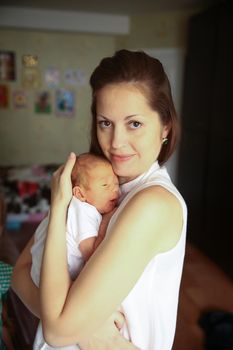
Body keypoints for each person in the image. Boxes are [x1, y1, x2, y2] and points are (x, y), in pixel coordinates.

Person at [11, 49, 187, 350]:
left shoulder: (152, 204)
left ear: (166, 126)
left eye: (134, 124)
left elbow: (56, 331)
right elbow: (20, 272)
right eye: (106, 123)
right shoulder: (100, 185)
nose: (116, 142)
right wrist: (84, 328)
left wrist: (67, 325)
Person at [31, 152, 119, 350]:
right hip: (51, 282)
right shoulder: (82, 210)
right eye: (105, 185)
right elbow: (92, 255)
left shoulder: (82, 206)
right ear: (80, 193)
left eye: (115, 183)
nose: (115, 190)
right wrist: (107, 220)